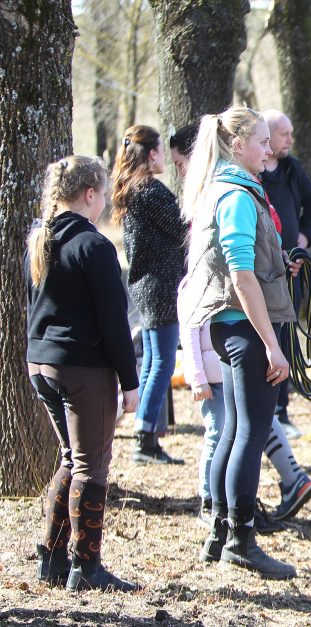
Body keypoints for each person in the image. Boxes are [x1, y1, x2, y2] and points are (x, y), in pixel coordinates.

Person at [173, 122, 311, 530]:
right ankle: (241, 537)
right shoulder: (237, 195)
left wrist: (279, 265)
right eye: (262, 141)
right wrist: (272, 345)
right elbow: (239, 275)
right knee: (250, 436)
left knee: (236, 431)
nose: (269, 150)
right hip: (246, 326)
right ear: (238, 145)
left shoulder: (223, 188)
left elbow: (246, 263)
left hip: (234, 324)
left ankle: (221, 531)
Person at [27, 156, 140, 592]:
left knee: (71, 460)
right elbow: (114, 320)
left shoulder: (40, 239)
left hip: (42, 363)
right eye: (103, 197)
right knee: (92, 467)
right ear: (89, 195)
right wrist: (130, 382)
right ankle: (85, 567)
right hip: (82, 369)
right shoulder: (93, 247)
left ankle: (52, 559)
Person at [111, 124, 187, 465]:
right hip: (160, 286)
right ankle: (145, 439)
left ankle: (146, 427)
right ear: (153, 153)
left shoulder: (133, 190)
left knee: (154, 360)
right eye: (161, 152)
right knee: (163, 362)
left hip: (146, 285)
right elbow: (182, 226)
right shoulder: (150, 191)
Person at [259, 109, 311, 440]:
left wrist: (304, 238)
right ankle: (264, 410)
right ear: (267, 136)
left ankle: (281, 411)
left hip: (291, 272)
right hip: (259, 274)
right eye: (285, 134)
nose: (290, 139)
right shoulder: (251, 174)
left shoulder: (291, 169)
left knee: (284, 337)